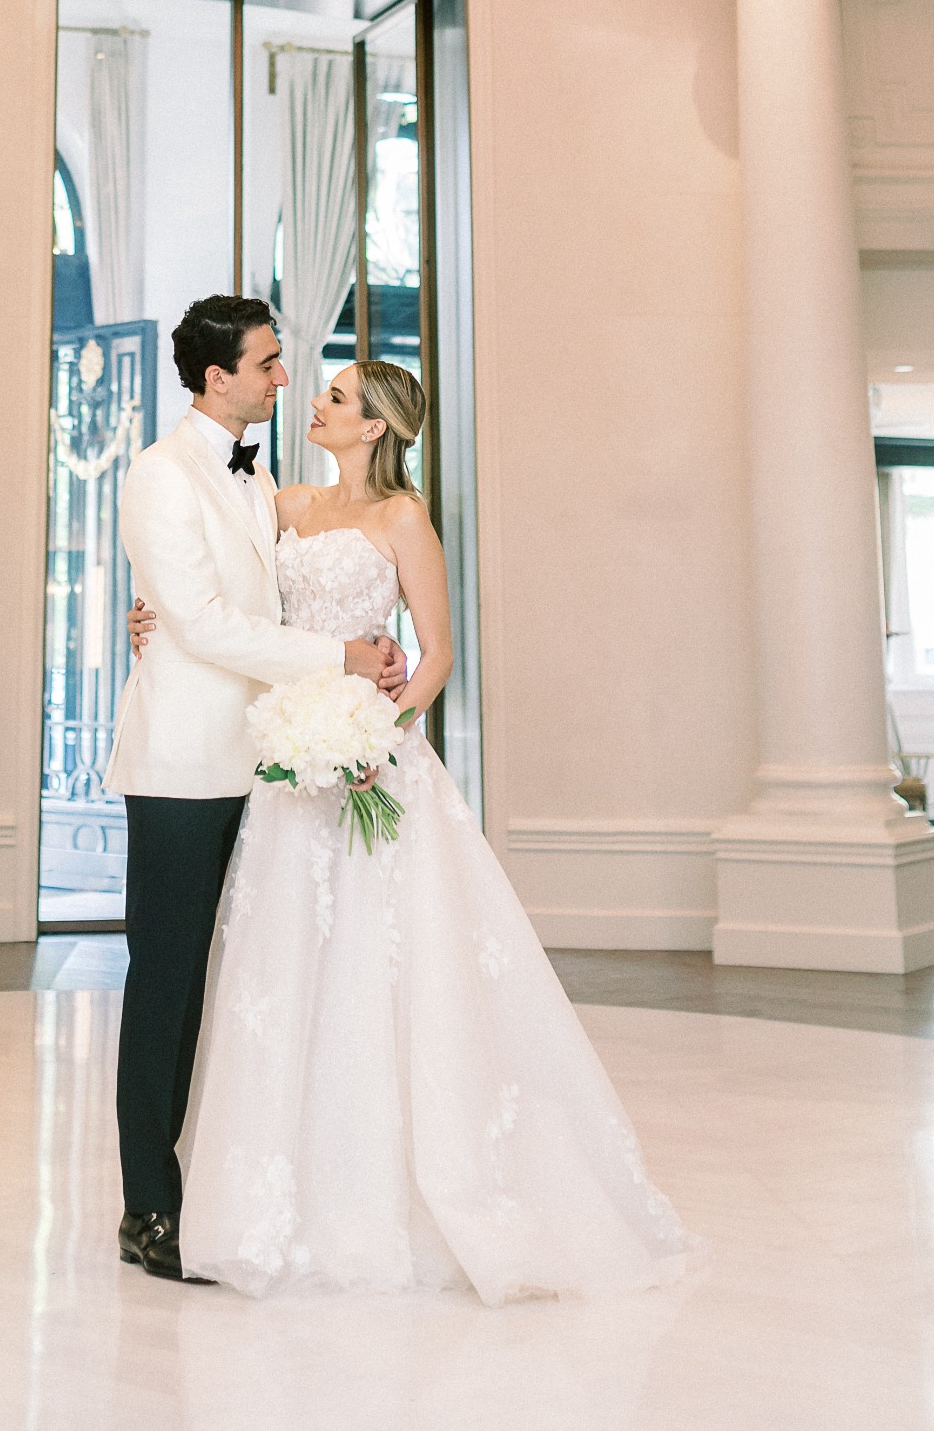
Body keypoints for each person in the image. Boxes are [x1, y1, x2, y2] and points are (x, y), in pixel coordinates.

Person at [127, 358, 694, 1304]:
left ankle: (402, 1184)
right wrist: (153, 617)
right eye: (308, 384)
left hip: (366, 764)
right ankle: (278, 1194)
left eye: (338, 398)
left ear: (377, 426)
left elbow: (436, 651)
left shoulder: (404, 520)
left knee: (384, 973)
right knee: (281, 975)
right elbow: (214, 594)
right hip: (283, 772)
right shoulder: (283, 501)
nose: (314, 400)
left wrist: (373, 737)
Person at [103, 296, 406, 1286]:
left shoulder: (254, 468)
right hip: (189, 769)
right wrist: (343, 655)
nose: (285, 378)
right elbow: (202, 622)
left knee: (259, 985)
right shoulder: (159, 473)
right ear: (217, 376)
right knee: (170, 986)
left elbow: (254, 595)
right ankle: (149, 1205)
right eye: (270, 364)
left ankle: (252, 1192)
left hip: (275, 766)